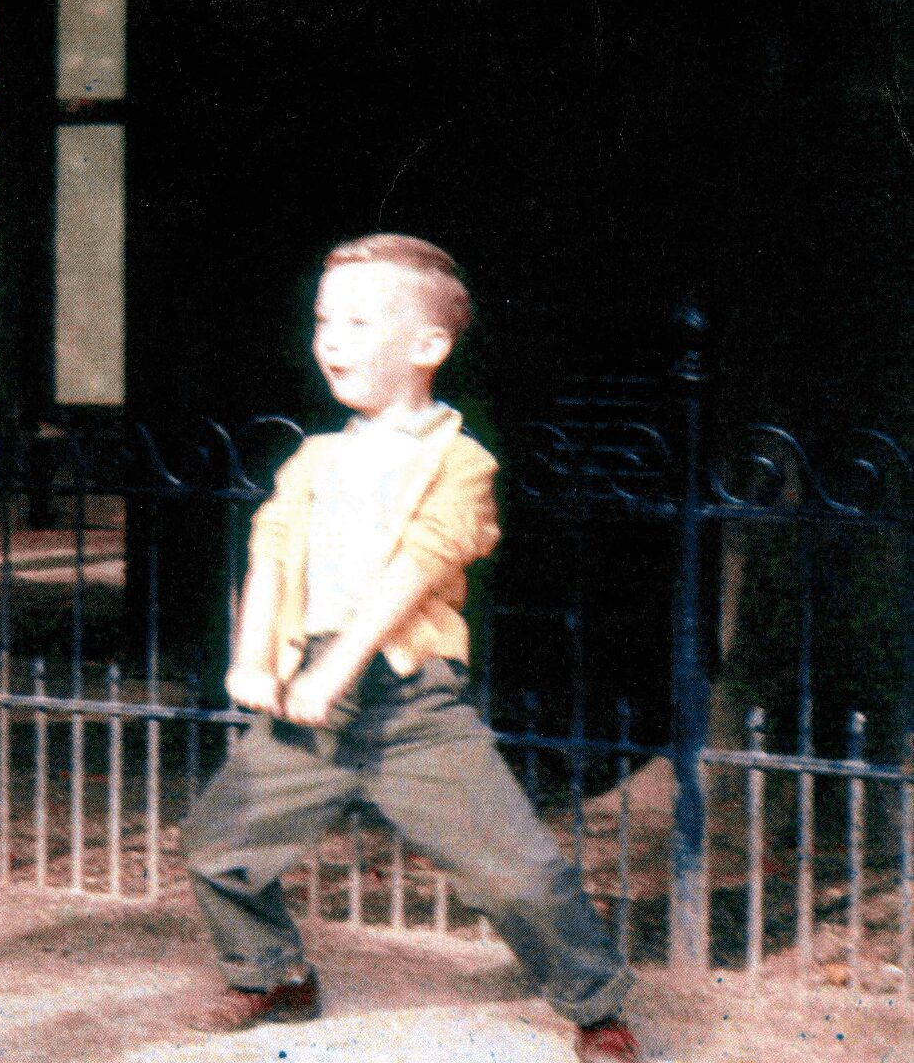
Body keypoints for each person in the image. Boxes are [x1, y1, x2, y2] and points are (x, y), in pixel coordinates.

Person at [179, 234, 639, 1063]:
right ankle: (272, 974)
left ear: (430, 346)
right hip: (309, 694)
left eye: (358, 322)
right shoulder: (314, 458)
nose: (331, 340)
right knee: (220, 845)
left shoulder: (462, 463)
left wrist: (335, 670)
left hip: (409, 701)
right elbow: (274, 551)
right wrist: (251, 657)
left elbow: (412, 572)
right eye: (325, 321)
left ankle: (597, 1007)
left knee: (520, 875)